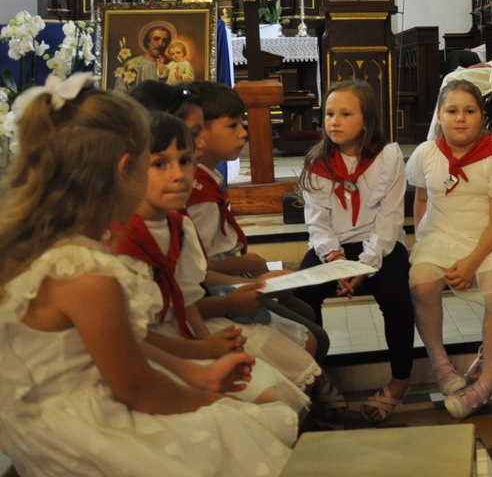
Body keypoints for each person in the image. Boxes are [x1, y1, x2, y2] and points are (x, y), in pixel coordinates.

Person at [0, 76, 296, 476]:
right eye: (150, 163)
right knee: (246, 431)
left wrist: (196, 373)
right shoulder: (85, 271)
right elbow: (137, 387)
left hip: (37, 427)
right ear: (126, 169)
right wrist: (214, 402)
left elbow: (122, 345)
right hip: (83, 435)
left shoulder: (31, 246)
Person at [114, 111, 314, 416]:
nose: (179, 175)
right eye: (160, 164)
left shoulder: (178, 225)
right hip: (152, 355)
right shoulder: (119, 242)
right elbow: (129, 336)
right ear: (128, 169)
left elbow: (186, 299)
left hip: (186, 334)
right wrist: (202, 349)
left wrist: (209, 343)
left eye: (185, 160)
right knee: (263, 407)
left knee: (279, 392)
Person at [408, 80, 492, 419]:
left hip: (489, 240)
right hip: (441, 234)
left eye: (469, 111)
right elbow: (421, 198)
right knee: (421, 282)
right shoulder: (427, 153)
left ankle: (485, 384)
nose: (461, 118)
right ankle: (441, 363)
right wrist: (421, 240)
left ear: (482, 117)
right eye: (452, 111)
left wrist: (471, 262)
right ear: (439, 116)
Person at [295, 80, 414, 424]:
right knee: (302, 297)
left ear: (366, 120)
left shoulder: (388, 158)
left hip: (379, 245)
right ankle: (319, 378)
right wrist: (336, 261)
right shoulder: (317, 163)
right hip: (332, 247)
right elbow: (317, 222)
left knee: (398, 298)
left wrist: (365, 265)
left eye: (346, 114)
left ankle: (399, 381)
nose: (334, 121)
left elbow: (390, 220)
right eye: (329, 114)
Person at [180, 81, 328, 356]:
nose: (244, 133)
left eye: (242, 123)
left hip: (232, 278)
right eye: (232, 125)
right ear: (199, 133)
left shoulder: (206, 180)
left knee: (304, 310)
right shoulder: (195, 192)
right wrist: (250, 264)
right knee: (314, 335)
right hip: (218, 289)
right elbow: (197, 265)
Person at [114, 22, 175, 92]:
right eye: (156, 39)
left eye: (165, 40)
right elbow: (120, 92)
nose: (160, 44)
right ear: (148, 41)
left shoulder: (170, 65)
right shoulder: (133, 64)